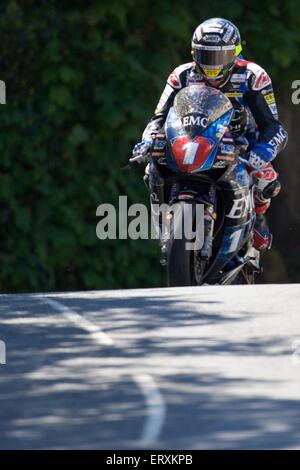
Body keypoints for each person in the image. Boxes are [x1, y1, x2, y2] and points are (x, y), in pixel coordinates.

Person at [131, 17, 288, 250]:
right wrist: (147, 141)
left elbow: (274, 127)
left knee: (267, 180)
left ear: (235, 54)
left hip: (240, 146)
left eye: (219, 57)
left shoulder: (253, 76)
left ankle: (258, 218)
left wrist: (261, 152)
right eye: (206, 57)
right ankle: (165, 225)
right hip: (191, 142)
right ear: (194, 54)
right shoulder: (181, 75)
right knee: (151, 170)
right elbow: (159, 117)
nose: (212, 66)